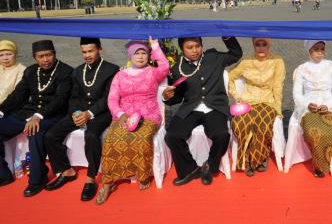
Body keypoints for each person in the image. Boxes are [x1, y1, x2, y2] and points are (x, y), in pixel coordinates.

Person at [44, 38, 119, 201]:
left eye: (90, 51)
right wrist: (77, 112)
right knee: (50, 135)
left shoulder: (112, 70)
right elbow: (74, 97)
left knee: (91, 136)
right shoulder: (77, 71)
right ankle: (66, 171)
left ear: (100, 49)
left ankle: (91, 178)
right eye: (84, 52)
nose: (87, 55)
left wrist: (89, 114)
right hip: (79, 112)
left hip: (101, 113)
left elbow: (108, 98)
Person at [96, 37, 169, 204]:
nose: (141, 56)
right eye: (137, 53)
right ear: (130, 56)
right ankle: (108, 181)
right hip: (124, 116)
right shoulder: (120, 75)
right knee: (111, 138)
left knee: (141, 138)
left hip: (148, 115)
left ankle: (143, 175)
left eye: (144, 53)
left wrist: (155, 45)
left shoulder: (153, 72)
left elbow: (165, 66)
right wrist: (120, 113)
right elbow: (112, 99)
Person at [163, 36, 242, 186]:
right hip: (190, 108)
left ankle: (209, 166)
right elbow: (177, 97)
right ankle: (190, 169)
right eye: (190, 47)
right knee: (172, 135)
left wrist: (227, 36)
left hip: (215, 107)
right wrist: (167, 97)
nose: (194, 50)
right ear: (182, 49)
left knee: (221, 134)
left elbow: (235, 54)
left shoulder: (214, 57)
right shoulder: (177, 67)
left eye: (197, 46)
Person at [0, 40, 73, 197]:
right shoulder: (31, 71)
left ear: (54, 54)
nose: (45, 59)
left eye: (48, 55)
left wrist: (39, 116)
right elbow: (18, 95)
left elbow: (60, 99)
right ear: (34, 57)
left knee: (35, 133)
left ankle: (37, 179)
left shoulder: (65, 71)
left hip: (53, 114)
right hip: (27, 112)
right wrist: (1, 111)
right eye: (41, 56)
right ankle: (3, 175)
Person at [228, 38, 286, 176]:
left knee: (263, 122)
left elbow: (278, 86)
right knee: (240, 122)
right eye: (257, 45)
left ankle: (259, 160)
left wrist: (278, 109)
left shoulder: (277, 61)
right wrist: (236, 96)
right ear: (253, 45)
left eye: (264, 44)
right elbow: (229, 77)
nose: (261, 48)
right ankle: (246, 160)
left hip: (267, 102)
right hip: (247, 101)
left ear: (269, 45)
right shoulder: (246, 62)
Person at [292, 40, 332, 177]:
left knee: (330, 132)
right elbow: (297, 93)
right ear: (309, 50)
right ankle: (319, 166)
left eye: (322, 49)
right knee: (313, 132)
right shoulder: (302, 68)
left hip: (328, 107)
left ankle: (322, 164)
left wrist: (328, 105)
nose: (320, 52)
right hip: (309, 107)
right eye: (316, 49)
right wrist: (307, 105)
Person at [0, 40, 26, 105]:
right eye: (1, 55)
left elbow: (17, 94)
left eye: (9, 54)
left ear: (16, 54)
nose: (5, 58)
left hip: (8, 106)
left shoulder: (22, 70)